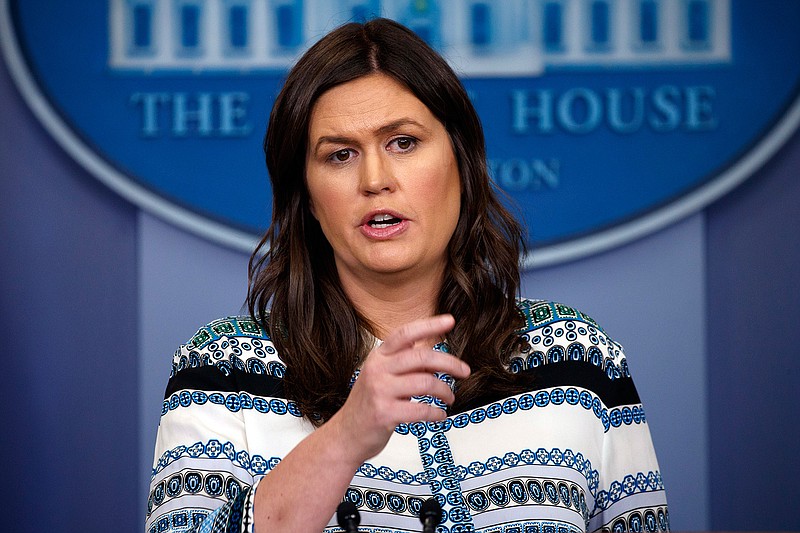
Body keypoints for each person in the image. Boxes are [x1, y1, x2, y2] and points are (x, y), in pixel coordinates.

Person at [145, 18, 669, 533]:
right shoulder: (219, 368)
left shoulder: (577, 359)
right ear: (306, 198)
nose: (375, 180)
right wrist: (346, 437)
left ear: (462, 164)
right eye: (340, 155)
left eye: (403, 143)